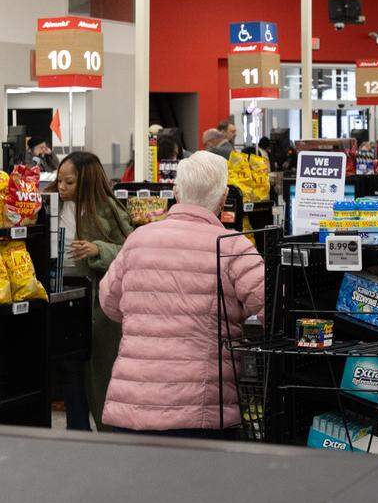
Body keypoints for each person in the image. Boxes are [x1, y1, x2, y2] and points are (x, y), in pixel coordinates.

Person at [99, 151, 265, 438]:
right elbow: (272, 308)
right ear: (224, 197)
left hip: (132, 407)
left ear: (175, 193)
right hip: (199, 412)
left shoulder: (138, 239)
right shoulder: (232, 246)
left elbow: (110, 305)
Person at [50, 152, 134, 431]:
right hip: (61, 301)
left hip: (99, 304)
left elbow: (131, 251)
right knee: (69, 371)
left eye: (69, 182)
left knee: (100, 373)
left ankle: (107, 433)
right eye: (59, 180)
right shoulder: (48, 205)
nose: (61, 187)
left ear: (85, 181)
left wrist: (99, 249)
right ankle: (78, 433)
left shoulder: (107, 208)